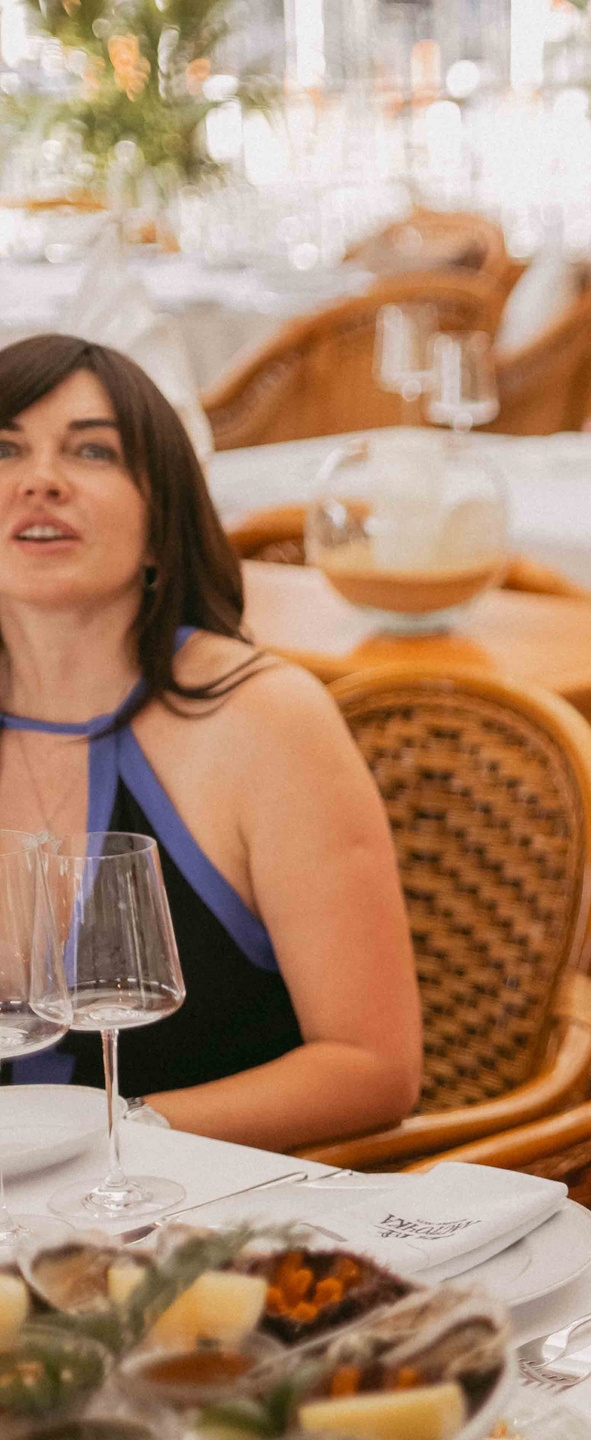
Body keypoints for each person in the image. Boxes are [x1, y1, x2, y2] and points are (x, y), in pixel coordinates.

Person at [0, 334, 420, 1148]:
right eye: (4, 448)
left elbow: (373, 1068)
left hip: (195, 1224)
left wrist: (107, 1142)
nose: (39, 479)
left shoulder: (264, 721)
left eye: (92, 450)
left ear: (164, 522)